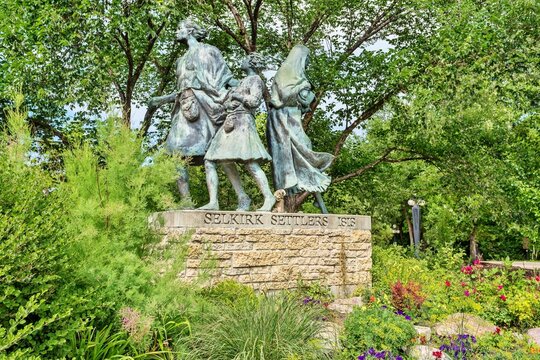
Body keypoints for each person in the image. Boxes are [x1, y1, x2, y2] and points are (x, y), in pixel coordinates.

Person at [148, 20, 245, 205]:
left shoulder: (209, 50)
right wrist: (161, 100)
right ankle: (186, 202)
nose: (176, 31)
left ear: (190, 30)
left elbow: (225, 78)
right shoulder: (181, 60)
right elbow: (182, 89)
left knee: (220, 155)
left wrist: (245, 86)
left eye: (179, 28)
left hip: (206, 108)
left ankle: (242, 196)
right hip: (183, 111)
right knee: (176, 154)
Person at [202, 53, 275, 212]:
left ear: (251, 63)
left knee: (250, 163)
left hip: (243, 122)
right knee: (213, 160)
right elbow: (226, 102)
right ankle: (224, 200)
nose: (241, 61)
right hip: (230, 122)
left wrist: (236, 95)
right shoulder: (241, 81)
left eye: (244, 59)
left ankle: (269, 197)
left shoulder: (255, 80)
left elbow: (254, 101)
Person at [266, 44, 334, 212]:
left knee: (307, 156)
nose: (308, 63)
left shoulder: (297, 75)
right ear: (300, 58)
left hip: (292, 121)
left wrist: (305, 95)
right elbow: (285, 95)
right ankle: (279, 205)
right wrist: (303, 86)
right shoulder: (285, 73)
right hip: (282, 124)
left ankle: (318, 200)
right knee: (291, 161)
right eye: (307, 59)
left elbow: (304, 105)